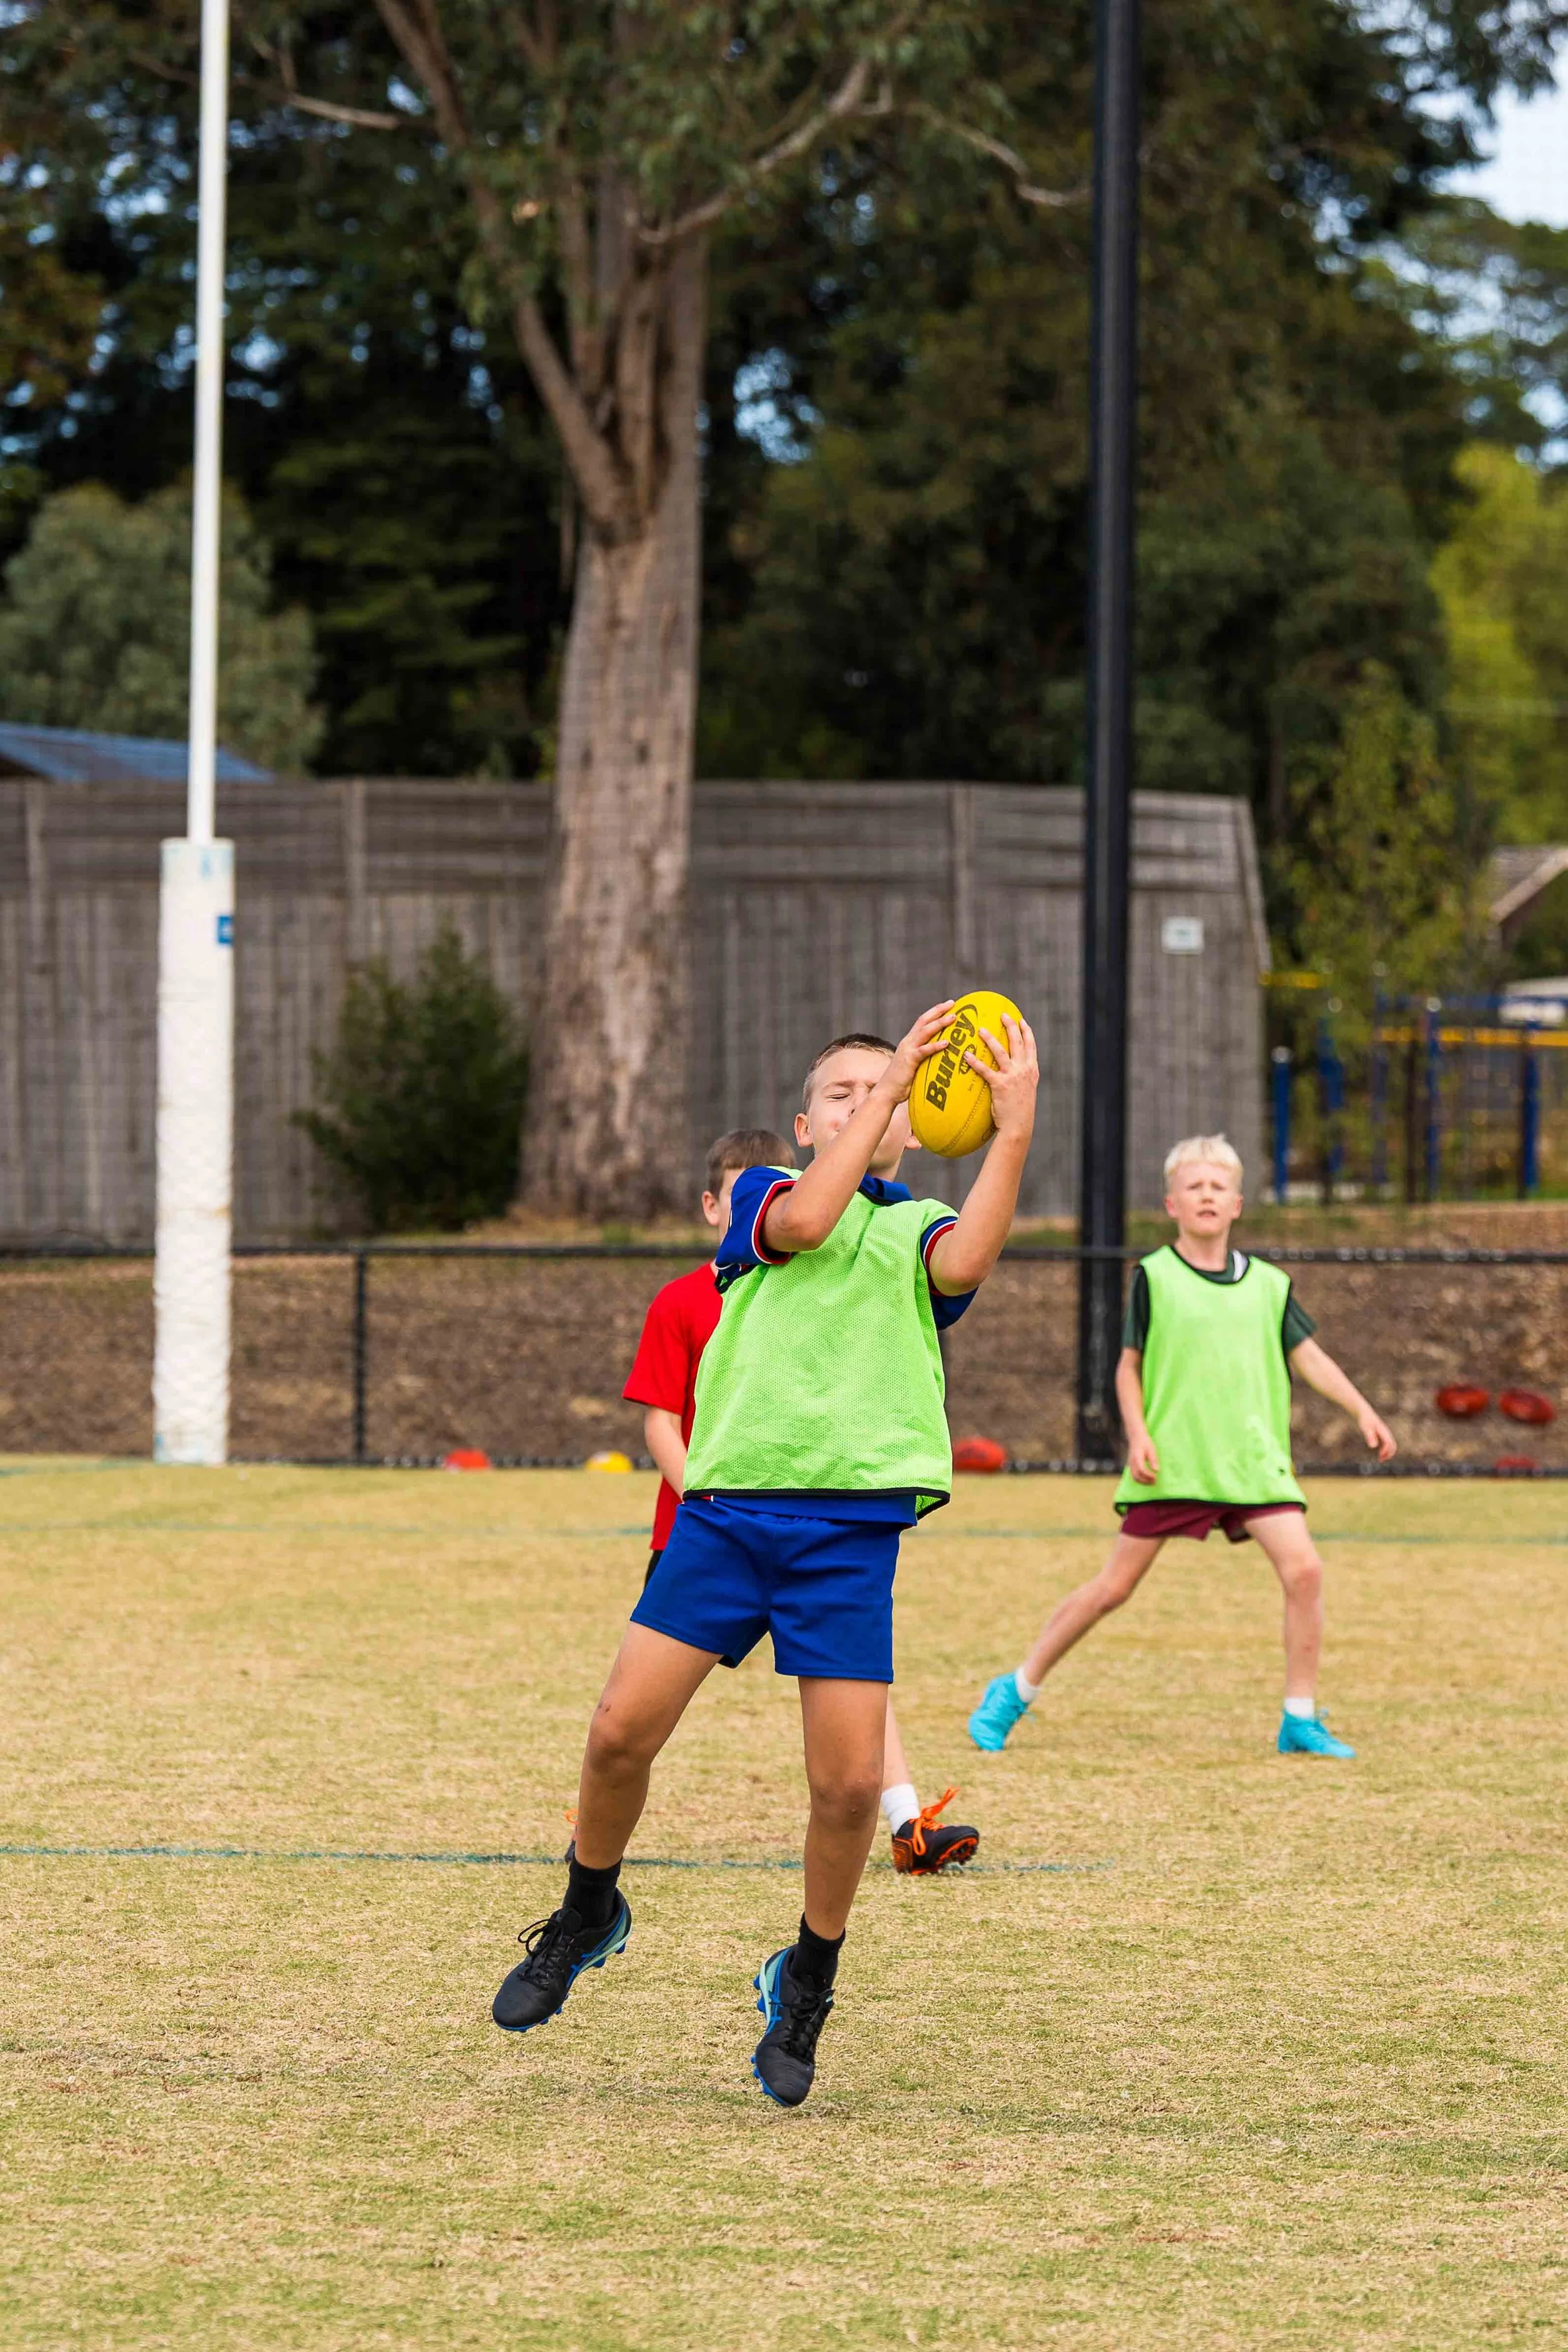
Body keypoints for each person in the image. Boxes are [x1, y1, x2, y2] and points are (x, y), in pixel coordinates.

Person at [493, 1001, 1039, 2106]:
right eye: (839, 1092)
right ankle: (588, 1908)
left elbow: (970, 1254)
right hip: (729, 1514)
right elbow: (806, 1224)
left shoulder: (914, 1225)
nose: (863, 1099)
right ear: (800, 1126)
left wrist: (1014, 1127)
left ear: (911, 1132)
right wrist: (890, 1091)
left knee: (846, 1790)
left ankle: (808, 1980)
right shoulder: (764, 1200)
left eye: (880, 1091)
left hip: (846, 1534)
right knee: (617, 1735)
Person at [968, 1133, 1396, 1762]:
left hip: (1250, 1462)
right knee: (1114, 1588)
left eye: (1217, 1187)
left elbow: (1309, 1358)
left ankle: (1298, 1718)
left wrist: (1361, 1409)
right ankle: (1015, 1687)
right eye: (1194, 1186)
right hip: (1175, 1460)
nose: (1206, 1195)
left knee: (1304, 1570)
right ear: (1171, 1204)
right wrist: (1138, 1433)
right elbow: (1126, 1368)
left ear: (1237, 1205)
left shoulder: (1270, 1286)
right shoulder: (1154, 1278)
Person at [623, 1125, 980, 1878]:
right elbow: (659, 1419)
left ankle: (905, 1816)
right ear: (716, 1205)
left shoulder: (865, 1262)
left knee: (853, 1688)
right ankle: (602, 1826)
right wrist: (706, 1503)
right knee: (633, 1718)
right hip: (708, 1523)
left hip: (810, 1521)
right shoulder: (688, 1297)